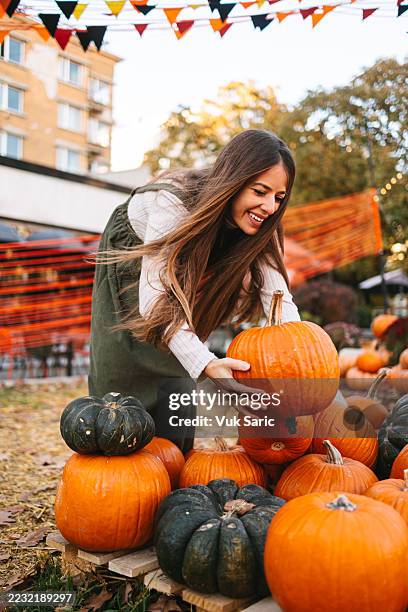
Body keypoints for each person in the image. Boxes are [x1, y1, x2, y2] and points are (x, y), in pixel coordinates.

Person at [88, 129, 300, 452]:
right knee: (120, 371)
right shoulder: (173, 203)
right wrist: (206, 363)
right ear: (234, 180)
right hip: (132, 261)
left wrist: (300, 354)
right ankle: (111, 460)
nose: (270, 206)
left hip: (175, 275)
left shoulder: (260, 224)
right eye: (260, 191)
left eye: (279, 198)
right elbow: (156, 299)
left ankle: (170, 467)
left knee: (177, 375)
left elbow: (278, 296)